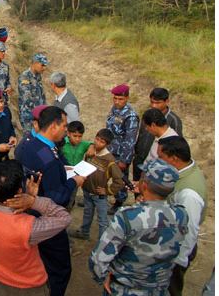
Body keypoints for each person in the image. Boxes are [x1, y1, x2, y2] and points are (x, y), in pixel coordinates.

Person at [89, 159, 189, 296]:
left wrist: (102, 278)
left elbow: (98, 259)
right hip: (159, 290)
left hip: (124, 290)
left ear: (145, 185)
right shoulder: (181, 214)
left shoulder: (127, 217)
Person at [15, 106, 85, 296]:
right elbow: (57, 197)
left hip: (30, 213)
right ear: (54, 126)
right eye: (64, 125)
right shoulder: (49, 158)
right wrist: (74, 182)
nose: (66, 129)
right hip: (46, 219)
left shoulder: (30, 144)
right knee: (60, 269)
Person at [0, 160, 72, 296]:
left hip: (0, 280)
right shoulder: (27, 227)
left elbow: (6, 218)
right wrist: (34, 201)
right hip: (28, 287)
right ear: (20, 190)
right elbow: (64, 218)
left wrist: (28, 197)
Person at [157, 136, 207, 296]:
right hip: (170, 244)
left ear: (174, 159)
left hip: (176, 253)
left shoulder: (189, 194)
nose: (158, 161)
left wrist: (177, 261)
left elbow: (189, 231)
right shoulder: (185, 169)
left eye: (161, 158)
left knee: (169, 289)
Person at [70, 129, 124, 240]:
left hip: (99, 195)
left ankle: (103, 242)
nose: (97, 142)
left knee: (102, 219)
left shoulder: (110, 161)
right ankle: (84, 233)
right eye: (97, 139)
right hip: (87, 191)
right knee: (87, 213)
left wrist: (107, 190)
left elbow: (119, 181)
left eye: (102, 142)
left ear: (107, 144)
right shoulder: (90, 153)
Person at [133, 87, 183, 183]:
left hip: (157, 168)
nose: (154, 106)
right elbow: (141, 135)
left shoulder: (174, 121)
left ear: (167, 101)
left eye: (157, 103)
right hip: (140, 160)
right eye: (152, 102)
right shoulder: (148, 114)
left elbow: (176, 147)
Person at [106, 84, 139, 214]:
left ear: (127, 98)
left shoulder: (130, 116)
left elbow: (130, 140)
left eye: (120, 99)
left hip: (120, 154)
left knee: (119, 179)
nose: (117, 102)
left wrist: (124, 160)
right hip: (109, 149)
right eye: (115, 98)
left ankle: (119, 202)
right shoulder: (114, 109)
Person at [18, 54, 48, 133]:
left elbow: (41, 95)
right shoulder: (25, 77)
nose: (44, 68)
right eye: (42, 65)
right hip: (29, 116)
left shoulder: (38, 76)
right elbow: (27, 98)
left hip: (39, 115)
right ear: (35, 63)